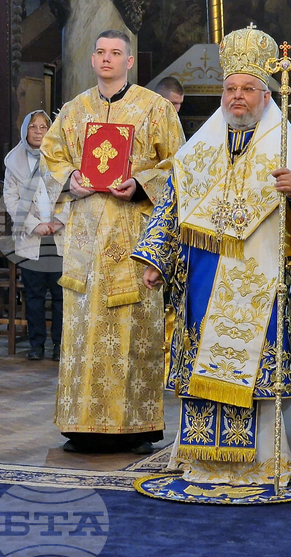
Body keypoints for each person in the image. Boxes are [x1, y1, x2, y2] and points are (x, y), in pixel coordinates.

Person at [133, 25, 291, 487]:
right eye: (230, 89)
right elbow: (173, 202)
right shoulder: (198, 148)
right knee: (205, 354)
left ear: (266, 96)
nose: (237, 97)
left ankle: (267, 459)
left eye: (247, 89)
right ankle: (201, 457)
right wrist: (154, 259)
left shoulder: (283, 142)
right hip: (204, 273)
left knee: (258, 361)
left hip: (264, 274)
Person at [41, 29, 185, 454]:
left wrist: (141, 183)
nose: (107, 59)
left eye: (115, 53)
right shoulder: (73, 110)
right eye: (100, 52)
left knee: (133, 328)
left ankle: (135, 425)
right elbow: (53, 154)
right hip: (85, 235)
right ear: (92, 59)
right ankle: (80, 425)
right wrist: (72, 179)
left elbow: (177, 164)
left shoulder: (155, 108)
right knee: (83, 330)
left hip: (133, 233)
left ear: (129, 61)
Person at [3, 110, 68, 361]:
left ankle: (60, 345)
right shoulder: (14, 161)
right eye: (33, 127)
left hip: (59, 235)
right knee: (34, 294)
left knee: (61, 295)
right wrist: (34, 224)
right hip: (32, 237)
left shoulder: (61, 156)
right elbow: (11, 199)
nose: (39, 131)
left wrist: (58, 221)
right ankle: (36, 344)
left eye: (43, 127)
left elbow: (71, 192)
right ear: (25, 130)